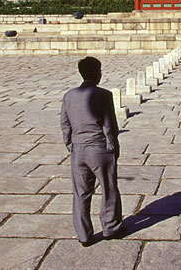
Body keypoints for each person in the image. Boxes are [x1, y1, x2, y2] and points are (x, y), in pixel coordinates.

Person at [60, 56, 125, 246]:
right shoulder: (104, 95)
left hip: (78, 149)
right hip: (99, 149)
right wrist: (113, 148)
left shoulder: (69, 96)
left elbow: (65, 124)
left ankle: (84, 235)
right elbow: (109, 124)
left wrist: (70, 145)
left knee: (81, 193)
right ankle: (111, 227)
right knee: (109, 189)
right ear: (97, 73)